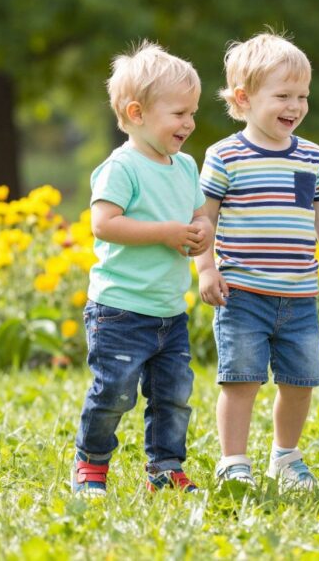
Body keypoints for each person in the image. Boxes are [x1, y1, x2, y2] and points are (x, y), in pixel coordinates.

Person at [194, 32, 319, 490]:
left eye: (302, 96)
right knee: (240, 381)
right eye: (282, 95)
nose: (295, 106)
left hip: (298, 294)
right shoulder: (224, 156)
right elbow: (203, 218)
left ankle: (285, 457)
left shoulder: (311, 156)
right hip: (242, 293)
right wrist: (206, 267)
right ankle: (233, 460)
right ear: (243, 98)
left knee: (299, 382)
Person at [71, 42, 212, 497]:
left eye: (192, 112)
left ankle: (165, 467)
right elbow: (104, 224)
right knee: (114, 394)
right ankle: (91, 464)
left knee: (173, 398)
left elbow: (195, 217)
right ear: (136, 112)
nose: (189, 123)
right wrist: (167, 232)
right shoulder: (121, 167)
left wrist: (200, 230)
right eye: (178, 113)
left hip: (170, 311)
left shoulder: (186, 166)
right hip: (120, 310)